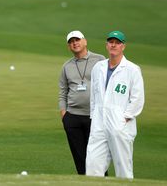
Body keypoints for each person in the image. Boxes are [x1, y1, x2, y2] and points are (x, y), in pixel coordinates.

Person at [86, 30, 145, 179]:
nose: (114, 45)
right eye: (111, 42)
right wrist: (94, 116)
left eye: (117, 43)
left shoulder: (132, 69)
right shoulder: (98, 68)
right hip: (99, 122)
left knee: (123, 168)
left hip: (120, 125)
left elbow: (137, 98)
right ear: (106, 45)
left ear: (123, 46)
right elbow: (93, 95)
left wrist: (124, 118)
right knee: (93, 164)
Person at [58, 30, 105, 175]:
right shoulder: (67, 66)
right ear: (69, 46)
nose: (74, 43)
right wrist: (64, 115)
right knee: (79, 157)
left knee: (97, 157)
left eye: (77, 40)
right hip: (72, 117)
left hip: (94, 116)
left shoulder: (100, 60)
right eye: (71, 42)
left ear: (85, 41)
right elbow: (62, 92)